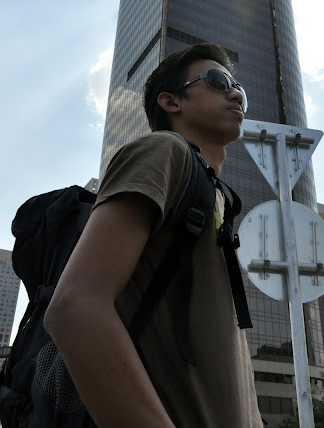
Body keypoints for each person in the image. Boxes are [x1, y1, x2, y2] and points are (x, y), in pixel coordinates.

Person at [44, 42, 263, 428]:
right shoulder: (165, 151)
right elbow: (74, 308)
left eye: (237, 87)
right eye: (217, 81)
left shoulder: (218, 197)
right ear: (171, 101)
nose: (234, 94)